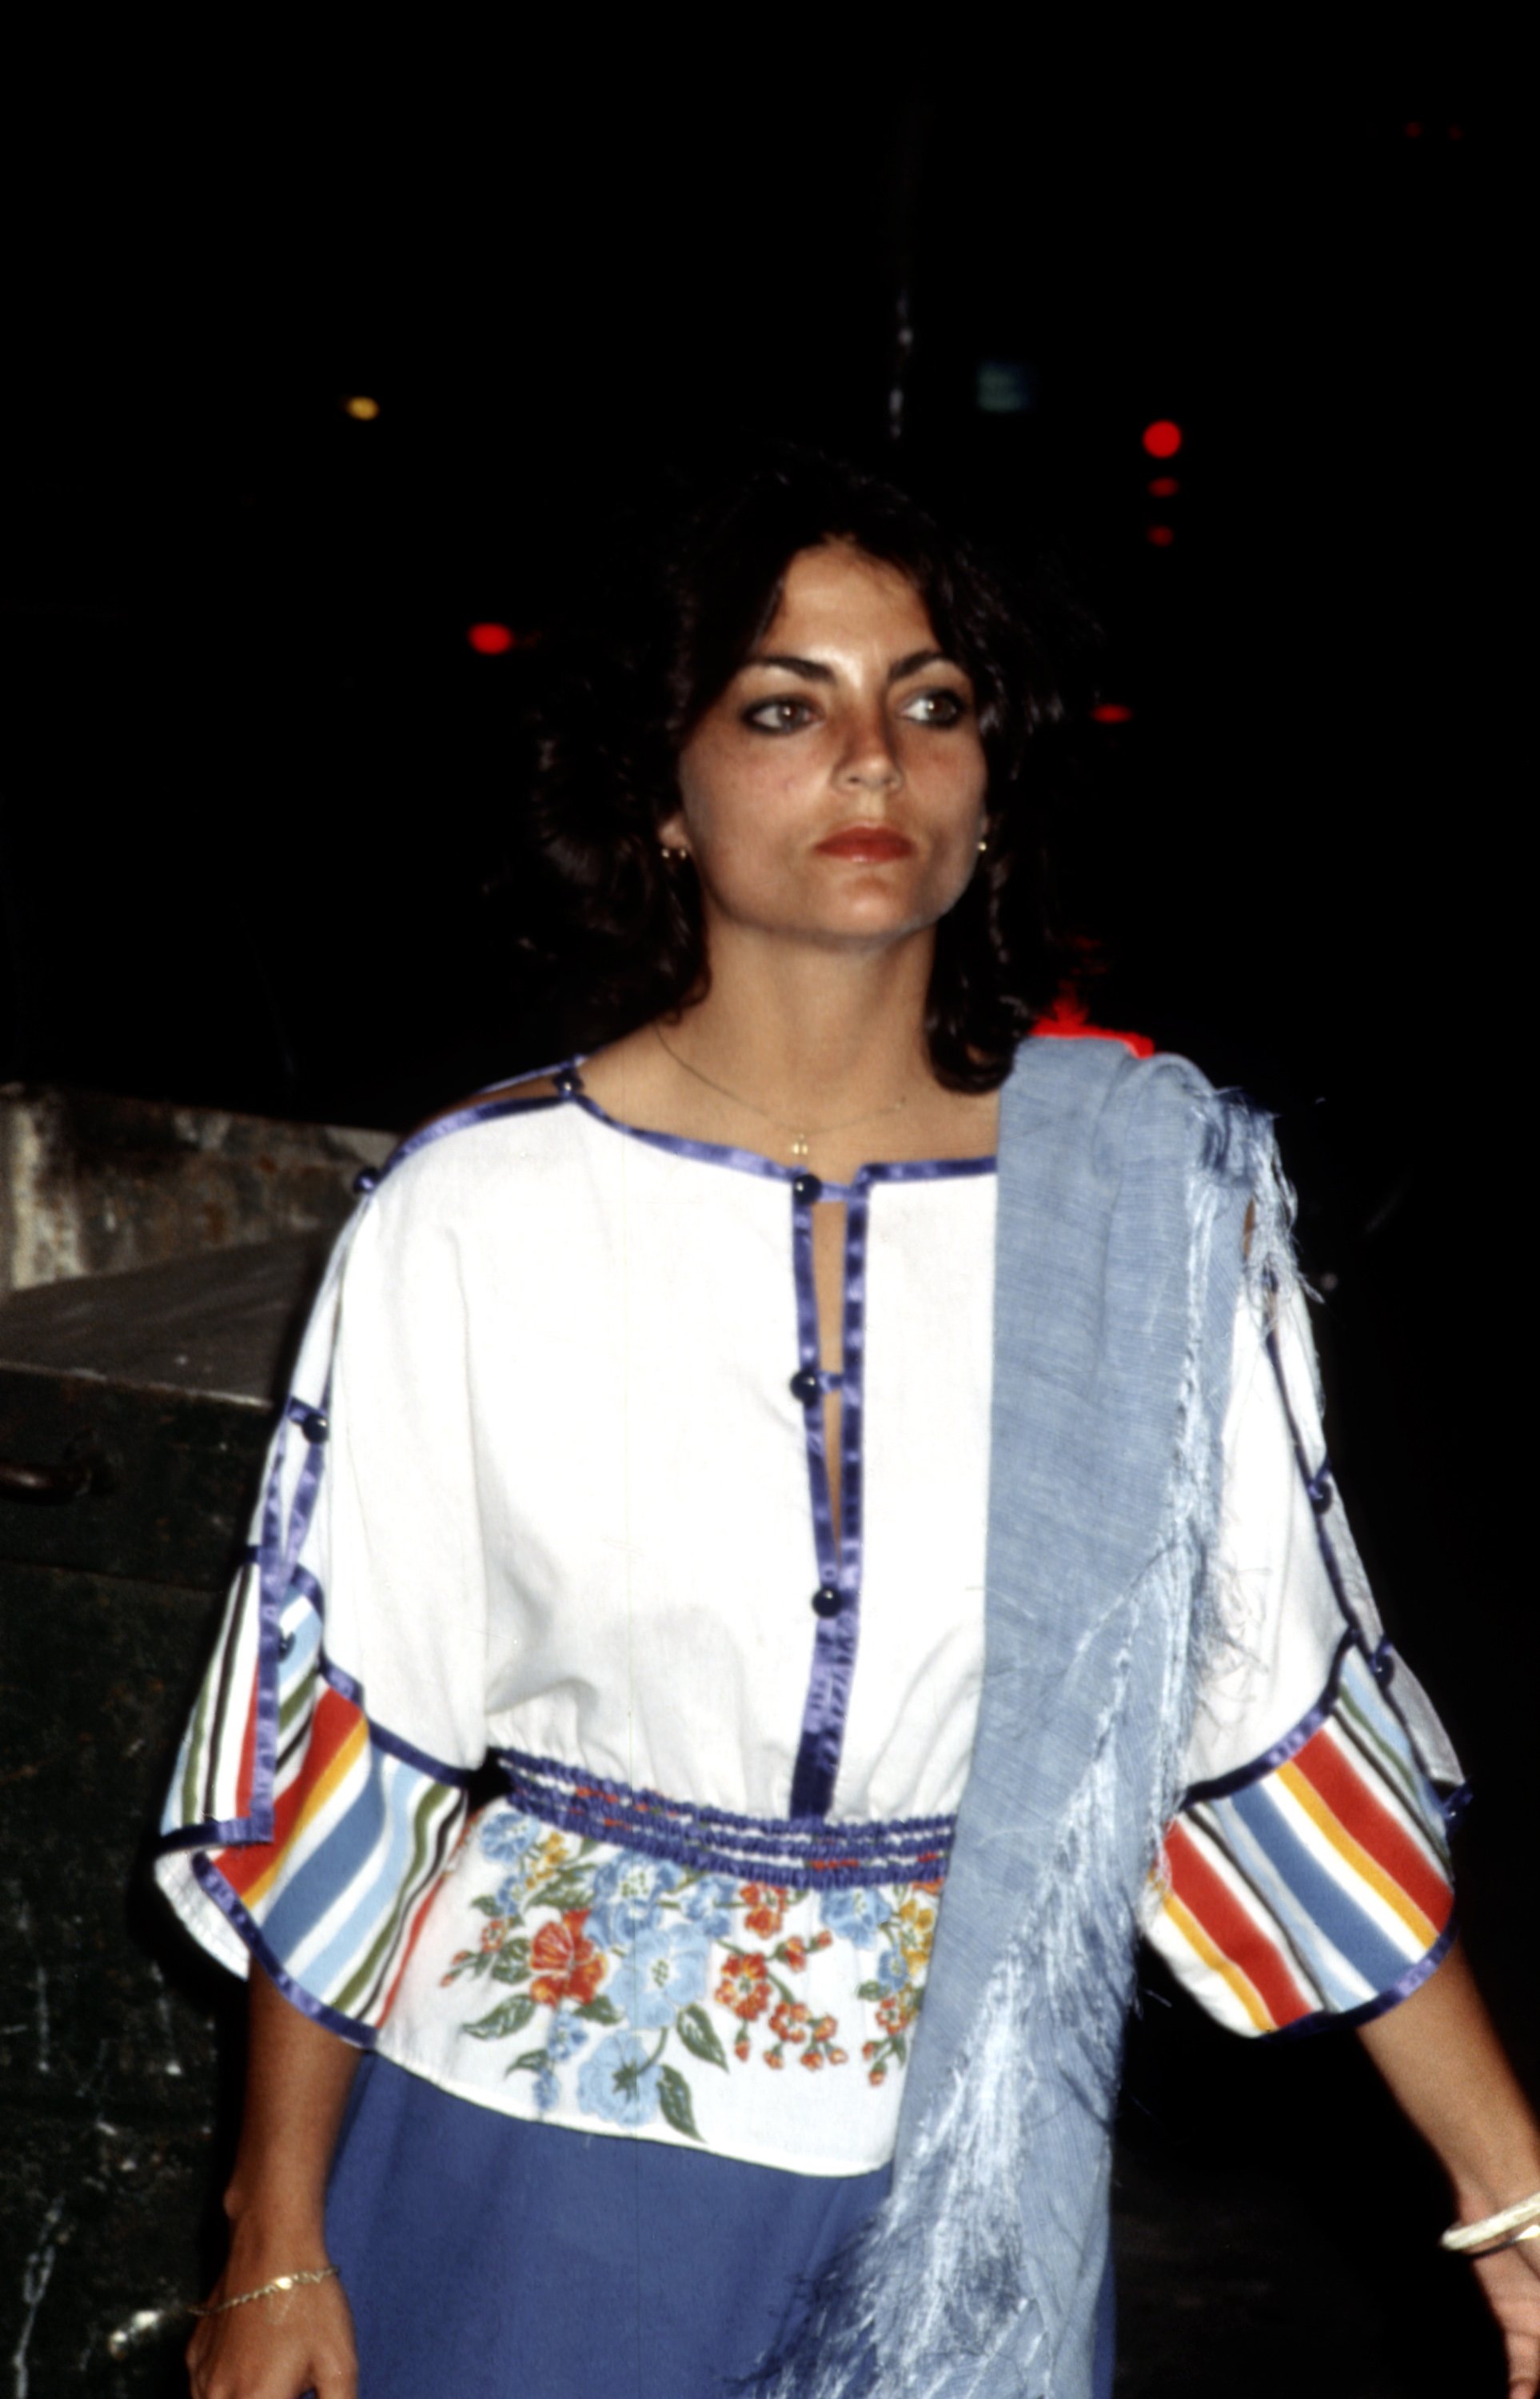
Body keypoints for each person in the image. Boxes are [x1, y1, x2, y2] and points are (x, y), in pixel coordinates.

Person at [156, 449, 1540, 2398]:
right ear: (663, 787)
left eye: (936, 702)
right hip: (528, 2165)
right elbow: (349, 1740)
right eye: (787, 706)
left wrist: (1514, 2196)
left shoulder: (1146, 1209)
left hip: (966, 2189)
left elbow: (1259, 1725)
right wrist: (274, 2241)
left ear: (994, 783)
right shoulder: (479, 1209)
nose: (875, 761)